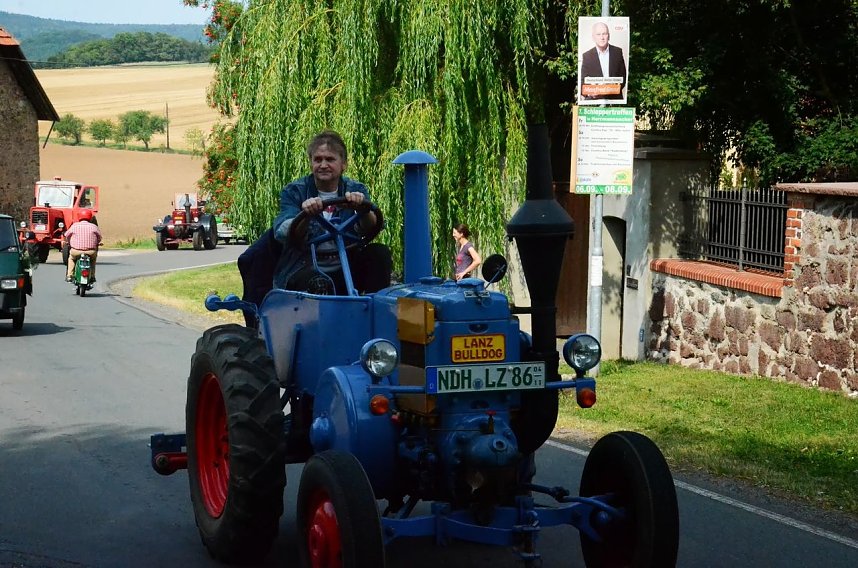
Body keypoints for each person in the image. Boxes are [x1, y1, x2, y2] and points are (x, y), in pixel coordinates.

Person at [271, 130, 392, 294]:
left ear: (343, 164)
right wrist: (306, 216)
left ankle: (375, 310)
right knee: (318, 283)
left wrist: (363, 210)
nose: (323, 165)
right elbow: (284, 232)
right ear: (311, 163)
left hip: (347, 264)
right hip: (304, 266)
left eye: (330, 159)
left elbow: (371, 228)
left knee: (379, 253)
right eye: (318, 160)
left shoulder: (356, 189)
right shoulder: (294, 191)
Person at [579, 21, 627, 101]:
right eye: (598, 34)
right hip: (594, 102)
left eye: (604, 34)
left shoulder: (617, 52)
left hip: (614, 101)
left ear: (609, 36)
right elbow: (582, 81)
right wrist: (589, 92)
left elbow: (623, 78)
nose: (602, 37)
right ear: (593, 37)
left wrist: (608, 90)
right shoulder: (587, 56)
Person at [65, 209, 102, 282]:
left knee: (71, 259)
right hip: (90, 252)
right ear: (90, 217)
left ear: (79, 216)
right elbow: (99, 237)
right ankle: (92, 276)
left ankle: (69, 275)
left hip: (76, 251)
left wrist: (68, 242)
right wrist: (97, 242)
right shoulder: (94, 226)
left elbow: (67, 235)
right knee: (92, 261)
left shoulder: (74, 226)